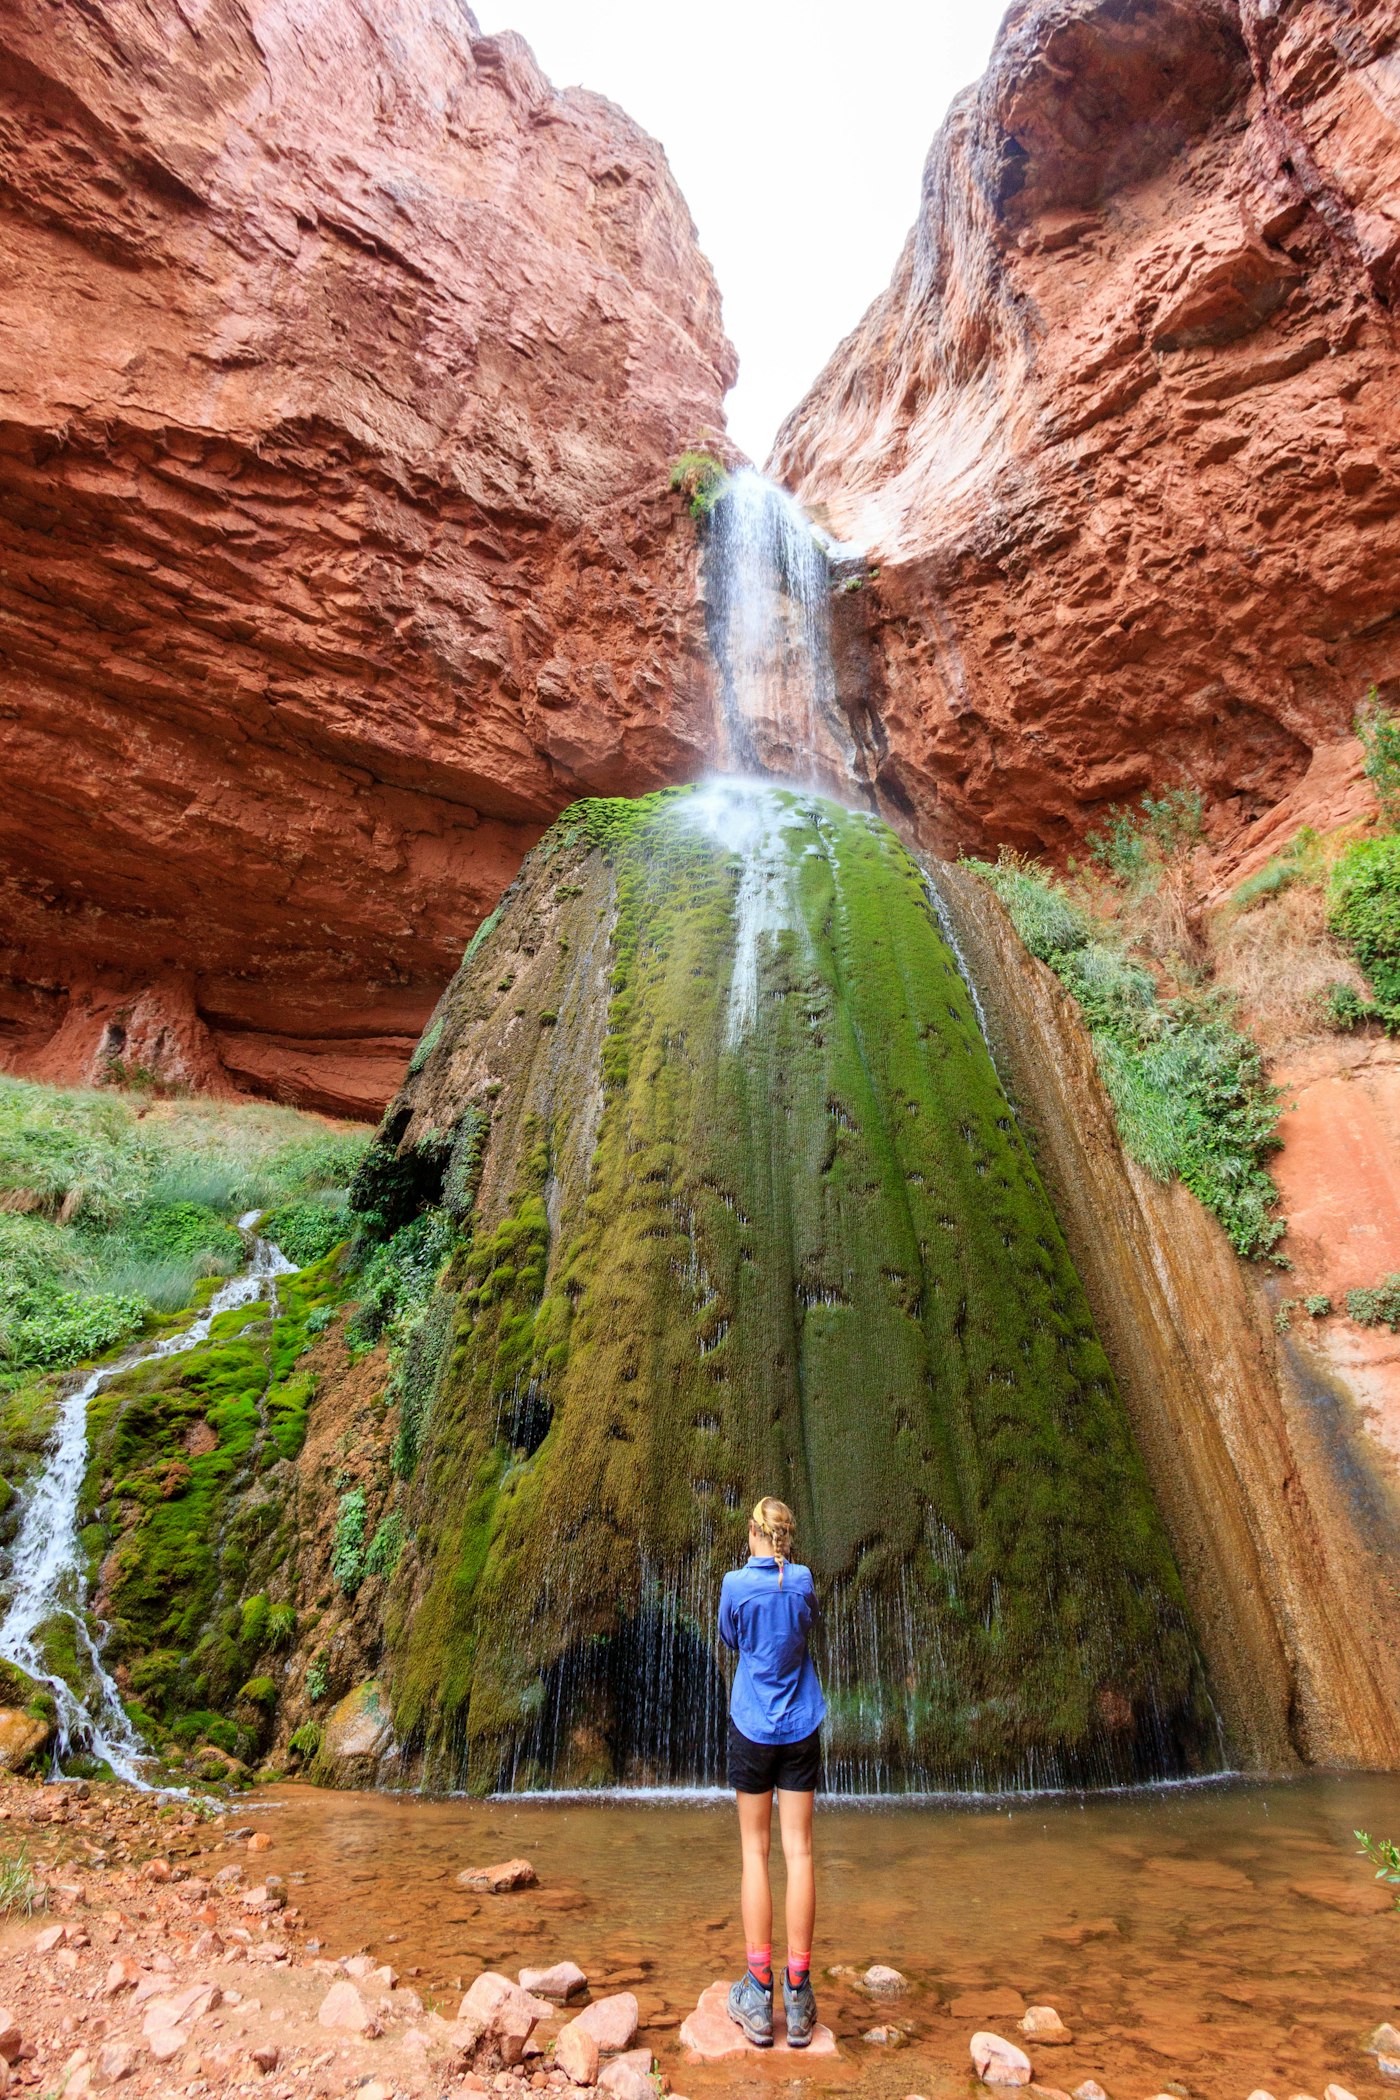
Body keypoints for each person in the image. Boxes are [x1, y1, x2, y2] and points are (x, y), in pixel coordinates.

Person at [717, 1495, 825, 2049]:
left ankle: (758, 1995)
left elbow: (730, 1637)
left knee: (754, 1853)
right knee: (799, 1852)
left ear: (755, 1536)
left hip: (753, 1725)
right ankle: (800, 1996)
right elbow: (806, 1628)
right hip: (801, 1725)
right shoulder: (802, 1579)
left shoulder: (736, 1584)